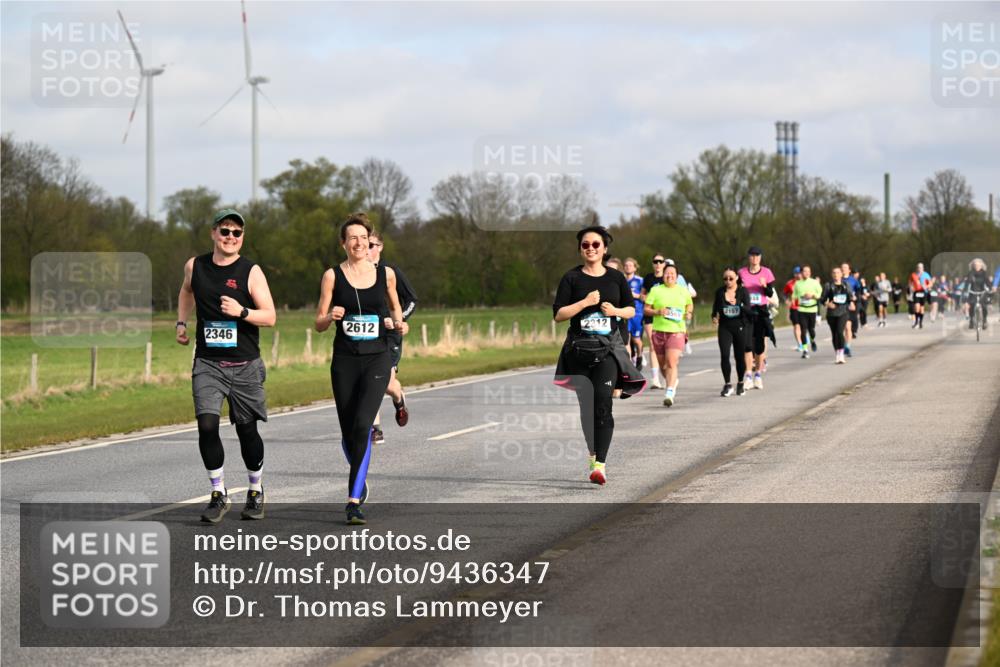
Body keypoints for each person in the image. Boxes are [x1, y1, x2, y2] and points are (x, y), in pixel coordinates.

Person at [176, 208, 277, 523]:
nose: (230, 237)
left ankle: (255, 489)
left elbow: (270, 316)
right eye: (225, 231)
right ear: (213, 233)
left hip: (244, 363)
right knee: (206, 424)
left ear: (242, 237)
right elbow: (186, 291)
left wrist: (242, 311)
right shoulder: (196, 266)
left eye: (236, 232)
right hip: (208, 362)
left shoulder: (251, 271)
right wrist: (181, 322)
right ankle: (218, 493)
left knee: (247, 430)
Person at [315, 212, 407, 525]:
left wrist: (398, 324)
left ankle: (353, 501)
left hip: (377, 358)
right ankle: (360, 473)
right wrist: (331, 317)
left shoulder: (386, 274)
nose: (358, 242)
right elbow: (318, 322)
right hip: (344, 360)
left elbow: (395, 306)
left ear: (370, 242)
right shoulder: (332, 276)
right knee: (347, 431)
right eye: (352, 237)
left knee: (363, 427)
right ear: (343, 243)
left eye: (363, 238)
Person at [553, 225, 644, 486]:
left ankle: (600, 466)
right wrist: (584, 303)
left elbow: (630, 310)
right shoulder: (571, 278)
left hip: (608, 350)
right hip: (579, 350)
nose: (590, 248)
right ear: (580, 249)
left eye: (596, 244)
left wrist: (614, 310)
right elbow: (558, 315)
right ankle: (593, 454)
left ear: (604, 248)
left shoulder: (616, 278)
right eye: (585, 245)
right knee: (587, 407)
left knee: (603, 402)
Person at [368, 230, 417, 445]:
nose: (367, 248)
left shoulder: (391, 271)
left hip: (389, 336)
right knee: (370, 380)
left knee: (387, 384)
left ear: (380, 247)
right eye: (363, 243)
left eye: (372, 245)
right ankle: (375, 428)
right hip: (368, 334)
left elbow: (412, 300)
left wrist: (398, 320)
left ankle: (399, 399)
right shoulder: (357, 273)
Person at [645, 263, 694, 406]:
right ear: (663, 275)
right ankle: (672, 381)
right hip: (659, 331)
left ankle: (670, 391)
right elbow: (646, 309)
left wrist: (689, 313)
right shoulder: (655, 290)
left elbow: (689, 304)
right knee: (663, 366)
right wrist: (657, 312)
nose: (669, 275)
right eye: (667, 273)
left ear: (677, 276)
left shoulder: (682, 291)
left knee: (671, 362)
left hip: (677, 331)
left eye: (672, 273)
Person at [737, 246, 776, 390]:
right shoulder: (741, 273)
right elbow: (736, 290)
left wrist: (764, 286)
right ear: (749, 257)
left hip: (761, 312)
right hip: (746, 312)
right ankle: (748, 375)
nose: (755, 258)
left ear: (760, 257)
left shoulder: (766, 272)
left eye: (757, 256)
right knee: (747, 345)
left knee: (759, 347)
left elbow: (770, 293)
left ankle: (758, 375)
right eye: (752, 256)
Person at [711, 267, 751, 396]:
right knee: (724, 355)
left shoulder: (743, 292)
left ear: (737, 278)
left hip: (740, 326)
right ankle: (728, 384)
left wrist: (739, 304)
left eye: (731, 278)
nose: (728, 281)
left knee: (739, 357)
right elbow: (715, 309)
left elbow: (749, 310)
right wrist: (714, 317)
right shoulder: (719, 292)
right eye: (725, 278)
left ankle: (740, 383)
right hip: (725, 327)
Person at [641, 254, 667, 388]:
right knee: (652, 345)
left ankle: (667, 374)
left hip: (665, 315)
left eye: (660, 261)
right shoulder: (648, 278)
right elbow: (642, 294)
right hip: (651, 314)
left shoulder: (667, 278)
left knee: (665, 347)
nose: (657, 264)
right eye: (655, 261)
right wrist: (646, 298)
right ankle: (655, 379)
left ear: (664, 264)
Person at [821, 266, 855, 364]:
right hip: (832, 314)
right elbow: (822, 299)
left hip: (843, 312)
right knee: (834, 334)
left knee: (840, 332)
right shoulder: (828, 285)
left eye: (838, 273)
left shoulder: (846, 284)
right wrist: (828, 304)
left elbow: (850, 297)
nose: (836, 275)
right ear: (832, 275)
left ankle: (841, 353)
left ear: (841, 274)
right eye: (834, 273)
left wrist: (852, 302)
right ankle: (837, 353)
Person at [792, 265, 823, 358]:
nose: (806, 273)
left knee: (811, 330)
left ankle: (812, 340)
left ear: (810, 272)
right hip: (801, 309)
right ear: (802, 273)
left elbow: (819, 294)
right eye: (804, 271)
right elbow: (794, 295)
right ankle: (805, 350)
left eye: (808, 271)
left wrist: (812, 296)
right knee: (803, 330)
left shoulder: (814, 283)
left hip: (812, 309)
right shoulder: (798, 283)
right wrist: (793, 301)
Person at [623, 257, 645, 370]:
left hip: (637, 313)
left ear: (635, 268)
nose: (628, 267)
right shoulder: (621, 280)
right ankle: (631, 362)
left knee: (636, 339)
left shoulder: (640, 281)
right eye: (626, 265)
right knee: (626, 339)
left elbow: (645, 297)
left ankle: (640, 355)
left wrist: (635, 295)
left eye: (630, 265)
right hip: (625, 313)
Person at [964, 258, 993, 329]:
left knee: (984, 307)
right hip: (973, 292)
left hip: (982, 292)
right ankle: (971, 321)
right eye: (975, 265)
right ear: (973, 266)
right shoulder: (971, 273)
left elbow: (988, 282)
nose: (977, 266)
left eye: (978, 265)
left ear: (981, 266)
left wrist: (990, 288)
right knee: (971, 306)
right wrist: (965, 289)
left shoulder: (984, 273)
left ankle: (984, 321)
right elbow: (967, 282)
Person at [841, 263, 860, 354]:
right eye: (842, 268)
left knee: (848, 327)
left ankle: (847, 346)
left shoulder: (854, 280)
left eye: (845, 268)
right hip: (840, 306)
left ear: (849, 270)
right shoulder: (838, 280)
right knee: (843, 328)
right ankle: (844, 345)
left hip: (850, 305)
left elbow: (858, 291)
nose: (843, 269)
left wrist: (855, 300)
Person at [783, 266, 803, 353]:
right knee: (796, 326)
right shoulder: (790, 283)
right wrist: (786, 300)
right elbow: (784, 293)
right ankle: (800, 344)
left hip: (806, 307)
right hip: (794, 307)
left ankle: (805, 340)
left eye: (799, 273)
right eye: (796, 273)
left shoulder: (807, 282)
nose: (798, 275)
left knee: (804, 326)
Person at [909, 262, 932, 329]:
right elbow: (910, 283)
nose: (919, 269)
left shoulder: (926, 275)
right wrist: (911, 287)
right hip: (916, 292)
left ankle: (920, 323)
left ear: (923, 268)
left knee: (921, 308)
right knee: (916, 307)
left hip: (923, 292)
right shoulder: (913, 275)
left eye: (921, 267)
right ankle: (916, 322)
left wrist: (927, 286)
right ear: (917, 268)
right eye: (918, 267)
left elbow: (930, 284)